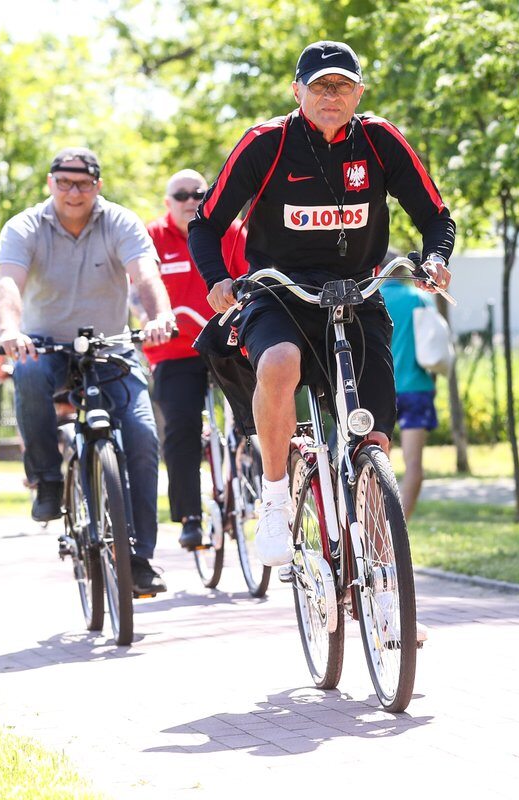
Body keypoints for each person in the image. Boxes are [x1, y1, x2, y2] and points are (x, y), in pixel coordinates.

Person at [188, 40, 455, 570]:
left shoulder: (379, 141)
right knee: (279, 363)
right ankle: (275, 498)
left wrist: (435, 258)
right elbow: (206, 222)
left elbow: (435, 215)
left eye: (342, 86)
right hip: (280, 292)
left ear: (359, 92)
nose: (331, 96)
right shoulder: (267, 142)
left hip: (358, 292)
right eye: (320, 86)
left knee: (372, 439)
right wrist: (218, 279)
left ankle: (385, 593)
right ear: (298, 91)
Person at [0, 147, 176, 597]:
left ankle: (140, 558)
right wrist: (10, 330)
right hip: (46, 347)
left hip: (111, 346)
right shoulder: (25, 227)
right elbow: (9, 284)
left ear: (98, 185)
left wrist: (158, 316)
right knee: (29, 374)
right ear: (50, 184)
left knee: (141, 434)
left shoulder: (119, 221)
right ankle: (48, 479)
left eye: (84, 183)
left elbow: (146, 276)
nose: (74, 192)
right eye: (64, 182)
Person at [143, 169, 250, 550]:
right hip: (176, 348)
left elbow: (252, 277)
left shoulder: (230, 231)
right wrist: (149, 318)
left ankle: (250, 477)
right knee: (181, 425)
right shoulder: (152, 237)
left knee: (258, 407)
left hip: (227, 340)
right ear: (168, 203)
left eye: (199, 193)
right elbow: (137, 288)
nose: (191, 200)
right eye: (181, 194)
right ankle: (189, 516)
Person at [380, 265, 440, 517]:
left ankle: (380, 527)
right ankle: (401, 529)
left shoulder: (372, 299)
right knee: (414, 463)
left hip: (380, 389)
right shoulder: (420, 298)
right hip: (416, 387)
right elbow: (435, 341)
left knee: (378, 462)